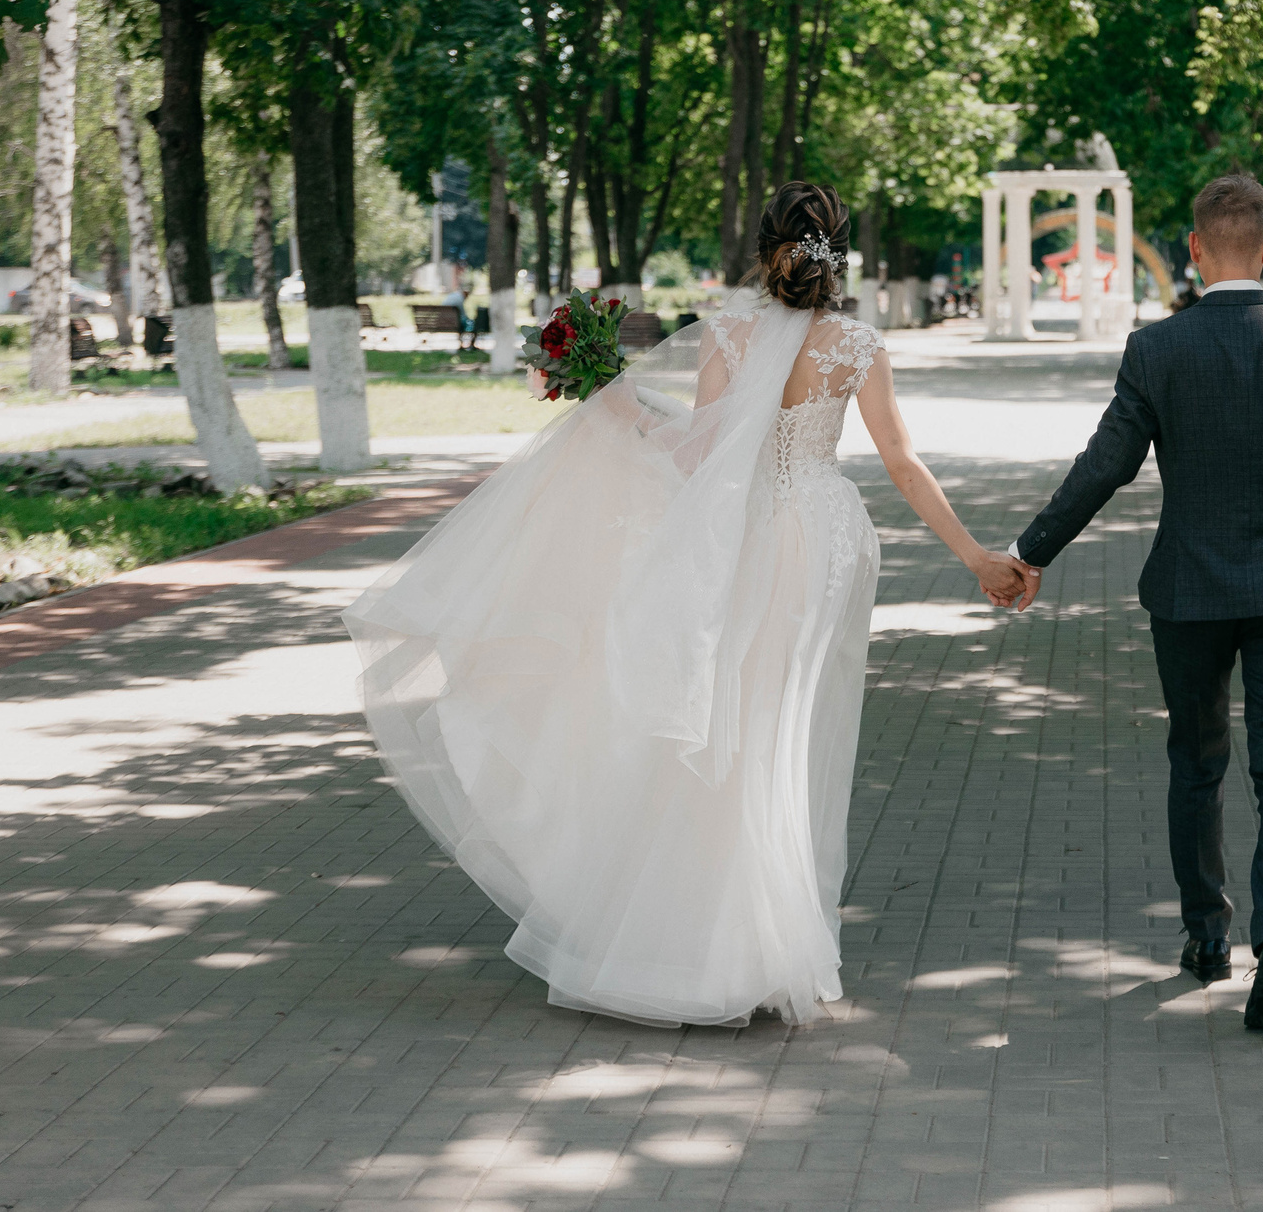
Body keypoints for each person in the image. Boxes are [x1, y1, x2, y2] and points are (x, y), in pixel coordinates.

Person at [345, 182, 1029, 1027]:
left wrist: (623, 408)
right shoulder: (857, 343)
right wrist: (975, 557)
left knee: (731, 728)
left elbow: (704, 454)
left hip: (745, 537)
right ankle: (770, 941)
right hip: (820, 543)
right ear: (836, 251)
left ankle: (713, 942)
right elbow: (903, 466)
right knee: (785, 733)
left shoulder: (727, 335)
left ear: (765, 246)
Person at [993, 173, 1263, 1032]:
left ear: (1196, 251)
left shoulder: (1157, 350)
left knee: (1195, 762)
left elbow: (1104, 465)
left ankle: (1207, 937)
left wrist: (1026, 554)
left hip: (1190, 592)